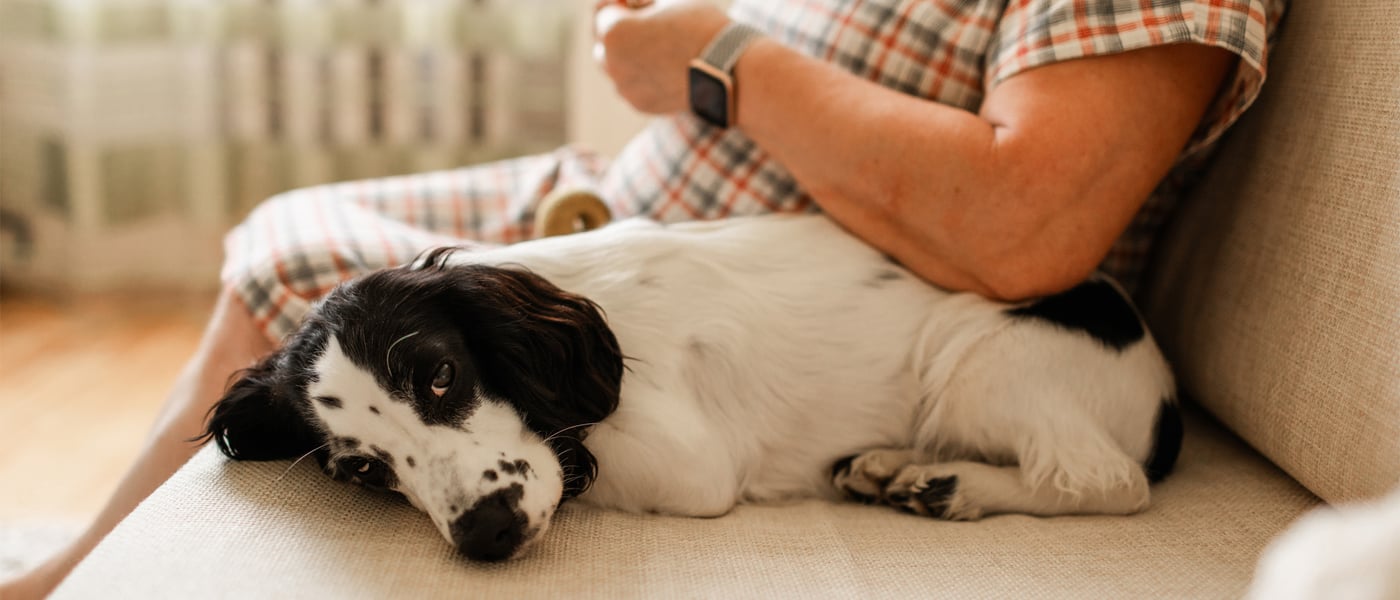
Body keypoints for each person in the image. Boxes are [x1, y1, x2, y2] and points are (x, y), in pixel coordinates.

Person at [2, 0, 1285, 596]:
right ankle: (84, 566)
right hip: (612, 224)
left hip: (750, 299)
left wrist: (718, 58)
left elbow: (1029, 221)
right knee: (287, 232)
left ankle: (74, 576)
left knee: (300, 270)